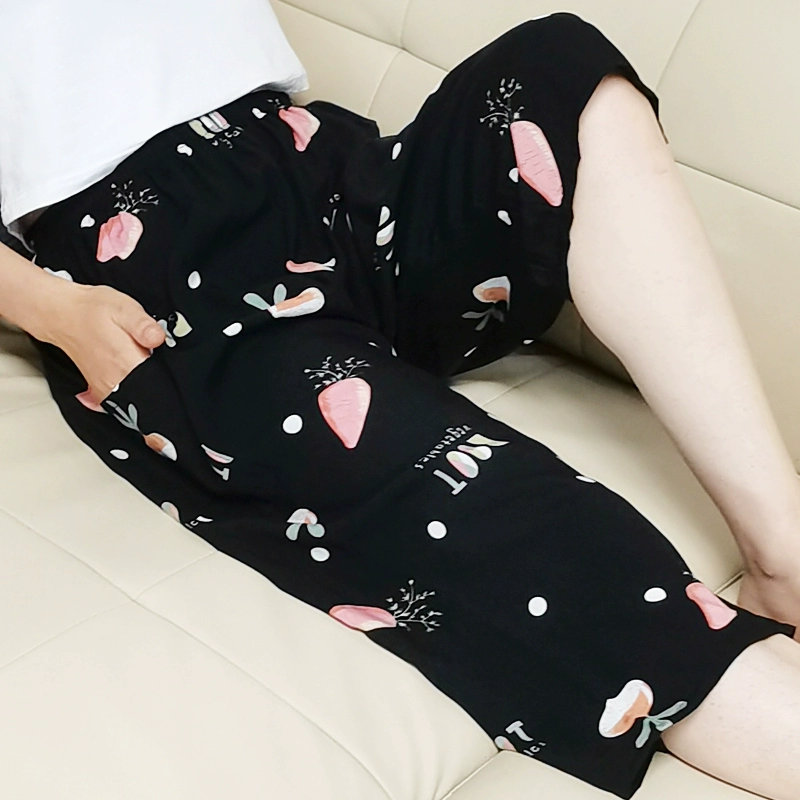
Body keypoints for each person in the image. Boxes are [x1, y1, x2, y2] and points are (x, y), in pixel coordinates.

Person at [1, 3, 800, 797]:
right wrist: (54, 310)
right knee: (514, 517)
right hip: (161, 277)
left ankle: (783, 550)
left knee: (563, 65)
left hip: (319, 167)